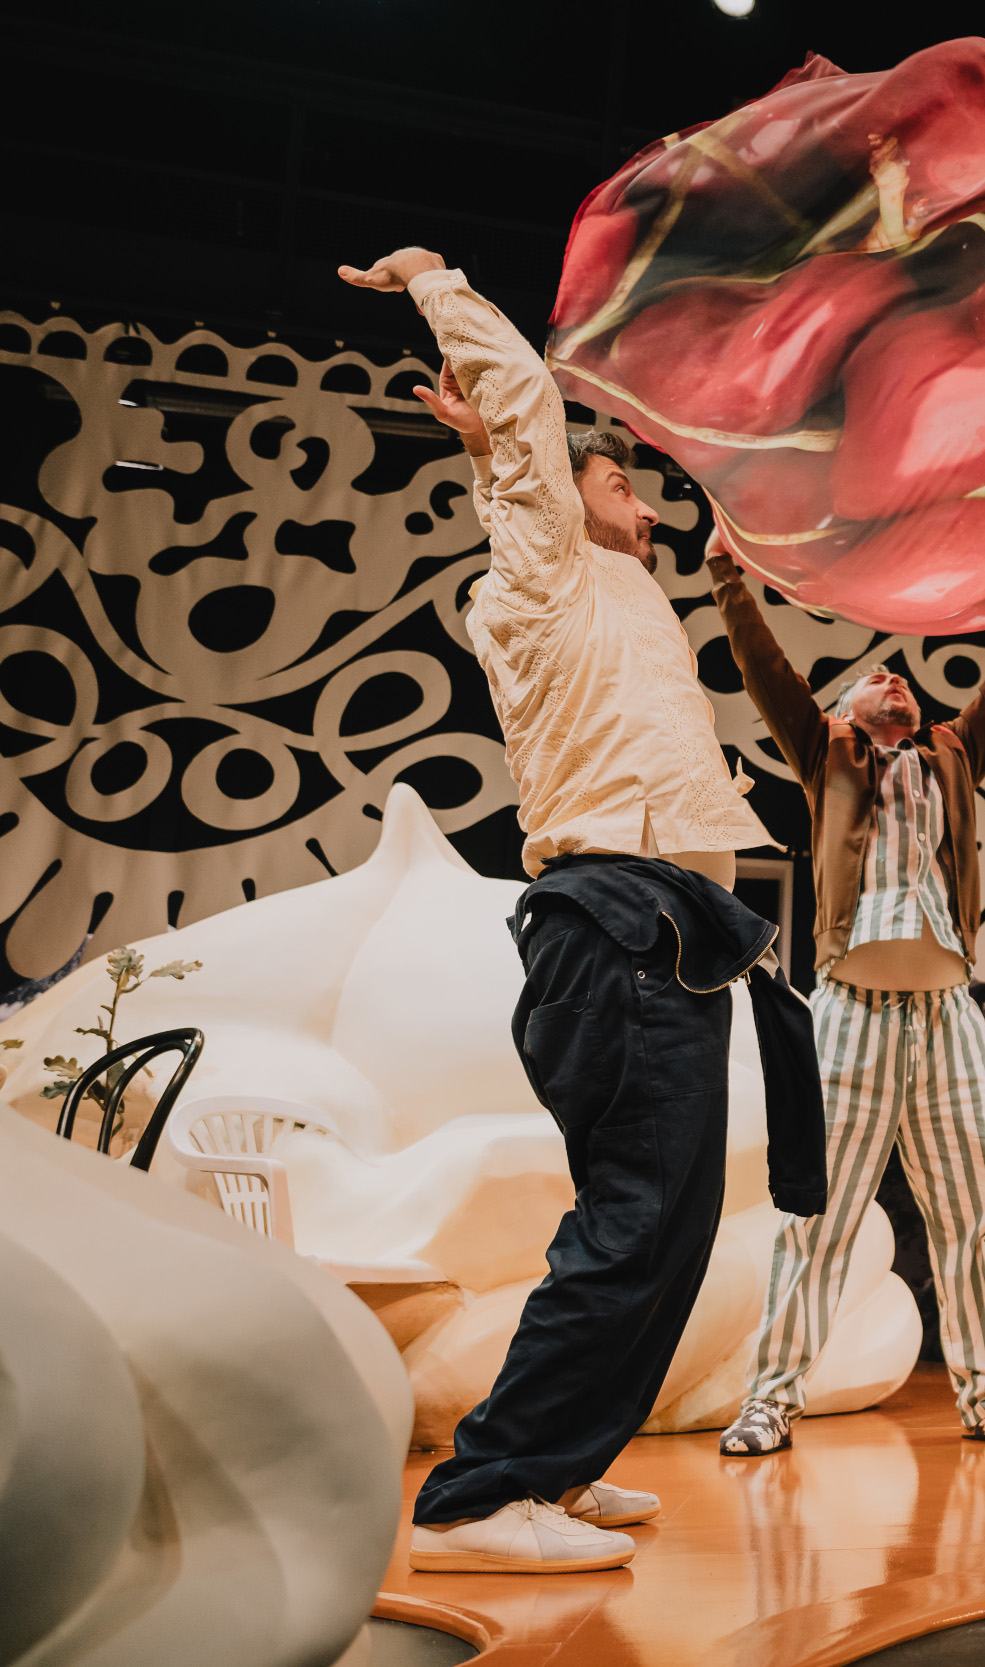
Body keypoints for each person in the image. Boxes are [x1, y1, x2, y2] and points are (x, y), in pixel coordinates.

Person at [338, 246, 824, 1574]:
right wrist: (445, 293)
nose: (646, 507)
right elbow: (534, 440)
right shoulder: (550, 573)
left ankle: (559, 1459)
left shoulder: (621, 595)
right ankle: (481, 1496)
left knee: (662, 1230)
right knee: (629, 1221)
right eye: (624, 483)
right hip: (619, 929)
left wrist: (503, 441)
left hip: (667, 942)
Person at [706, 527, 985, 1454]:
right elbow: (765, 670)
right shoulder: (827, 752)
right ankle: (771, 1401)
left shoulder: (953, 752)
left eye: (906, 675)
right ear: (843, 709)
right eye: (876, 676)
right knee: (818, 1220)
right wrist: (725, 571)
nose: (895, 674)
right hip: (853, 1009)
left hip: (944, 1009)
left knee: (967, 1217)